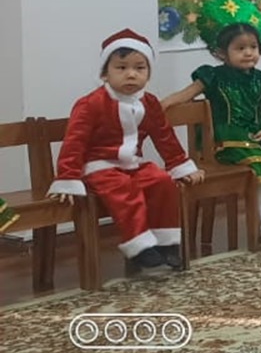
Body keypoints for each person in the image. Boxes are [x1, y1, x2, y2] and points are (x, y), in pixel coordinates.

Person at [47, 29, 204, 273]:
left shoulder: (149, 102)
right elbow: (74, 143)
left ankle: (166, 244)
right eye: (121, 68)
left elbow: (164, 136)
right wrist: (67, 177)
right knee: (124, 189)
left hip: (133, 164)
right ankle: (139, 247)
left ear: (148, 73)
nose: (131, 74)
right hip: (100, 166)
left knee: (162, 181)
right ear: (105, 73)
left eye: (139, 68)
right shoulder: (91, 104)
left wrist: (180, 164)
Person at [161, 0, 261, 242]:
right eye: (240, 48)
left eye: (253, 47)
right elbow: (186, 94)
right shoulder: (213, 76)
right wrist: (163, 104)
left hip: (257, 133)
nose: (249, 53)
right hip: (225, 137)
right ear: (222, 53)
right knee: (257, 167)